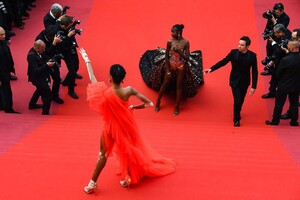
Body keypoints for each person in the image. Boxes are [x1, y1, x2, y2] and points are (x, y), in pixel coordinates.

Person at [79, 48, 176, 194]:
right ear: (122, 78)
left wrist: (87, 60)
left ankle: (92, 184)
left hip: (109, 128)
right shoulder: (128, 90)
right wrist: (134, 107)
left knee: (102, 154)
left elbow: (92, 78)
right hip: (125, 126)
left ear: (110, 78)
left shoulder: (105, 94)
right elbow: (149, 103)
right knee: (128, 151)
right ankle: (128, 179)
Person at [203, 36, 258, 127]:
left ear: (247, 46)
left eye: (242, 45)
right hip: (234, 81)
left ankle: (238, 110)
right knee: (237, 100)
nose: (239, 46)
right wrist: (211, 69)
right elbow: (223, 62)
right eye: (239, 44)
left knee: (241, 99)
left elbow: (255, 71)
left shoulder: (252, 56)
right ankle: (236, 119)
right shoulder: (233, 53)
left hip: (245, 81)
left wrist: (254, 86)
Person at [154, 24, 191, 116]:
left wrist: (179, 52)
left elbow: (187, 58)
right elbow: (166, 56)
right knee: (165, 83)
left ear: (178, 32)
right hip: (170, 63)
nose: (171, 34)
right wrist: (168, 70)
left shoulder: (186, 42)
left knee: (179, 86)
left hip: (181, 65)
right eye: (171, 32)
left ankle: (177, 106)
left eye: (173, 32)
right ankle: (158, 101)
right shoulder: (170, 42)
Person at [265, 39, 300, 126]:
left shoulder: (285, 59)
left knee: (279, 104)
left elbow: (278, 73)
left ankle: (275, 121)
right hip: (296, 85)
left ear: (291, 49)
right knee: (294, 104)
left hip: (283, 85)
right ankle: (294, 121)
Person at [35, 25, 64, 104]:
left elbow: (58, 48)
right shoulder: (40, 40)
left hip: (53, 60)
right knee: (45, 81)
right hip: (44, 63)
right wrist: (54, 43)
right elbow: (46, 53)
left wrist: (59, 42)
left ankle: (55, 96)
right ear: (49, 36)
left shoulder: (53, 35)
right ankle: (44, 97)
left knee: (57, 79)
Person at [261, 24, 291, 99]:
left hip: (284, 62)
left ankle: (282, 93)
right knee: (274, 77)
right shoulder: (284, 32)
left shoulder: (287, 38)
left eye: (275, 33)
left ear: (281, 33)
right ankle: (272, 92)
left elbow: (278, 51)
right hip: (279, 60)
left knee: (281, 78)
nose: (274, 34)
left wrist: (273, 42)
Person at [261, 2, 290, 75]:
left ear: (282, 11)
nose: (275, 13)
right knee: (268, 50)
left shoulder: (286, 18)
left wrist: (274, 21)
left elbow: (281, 30)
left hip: (278, 38)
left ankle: (276, 69)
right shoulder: (273, 13)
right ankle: (269, 68)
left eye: (277, 12)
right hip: (270, 35)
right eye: (275, 11)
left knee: (276, 53)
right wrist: (268, 13)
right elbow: (264, 15)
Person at [27, 40, 55, 115]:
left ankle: (32, 104)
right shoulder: (31, 56)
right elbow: (36, 70)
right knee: (48, 95)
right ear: (37, 48)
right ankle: (45, 112)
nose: (44, 50)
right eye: (42, 48)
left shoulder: (38, 52)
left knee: (39, 90)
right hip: (37, 78)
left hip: (40, 76)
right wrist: (47, 65)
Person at [56, 15, 81, 99]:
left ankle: (66, 81)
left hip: (72, 48)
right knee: (72, 71)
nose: (70, 28)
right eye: (69, 27)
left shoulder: (65, 25)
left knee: (77, 66)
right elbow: (63, 45)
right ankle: (71, 91)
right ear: (63, 26)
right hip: (66, 52)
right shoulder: (58, 32)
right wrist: (69, 36)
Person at [0, 26, 19, 113]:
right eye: (1, 35)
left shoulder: (3, 42)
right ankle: (8, 108)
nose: (4, 36)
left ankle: (2, 105)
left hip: (5, 71)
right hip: (2, 73)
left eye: (4, 34)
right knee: (6, 91)